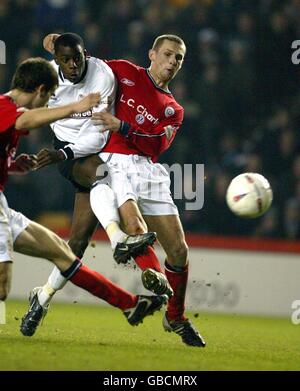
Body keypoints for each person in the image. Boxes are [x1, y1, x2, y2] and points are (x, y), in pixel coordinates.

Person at [26, 33, 205, 347]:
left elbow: (157, 145)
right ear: (152, 54)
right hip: (107, 159)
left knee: (179, 250)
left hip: (148, 170)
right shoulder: (123, 71)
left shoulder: (174, 109)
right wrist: (53, 43)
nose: (171, 62)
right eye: (167, 54)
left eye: (178, 58)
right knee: (121, 229)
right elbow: (82, 64)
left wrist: (122, 126)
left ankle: (175, 317)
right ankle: (149, 273)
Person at [0, 57, 167, 334]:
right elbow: (25, 119)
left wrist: (15, 165)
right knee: (3, 285)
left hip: (3, 204)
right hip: (12, 199)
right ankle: (118, 239)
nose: (50, 101)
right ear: (41, 90)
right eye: (51, 96)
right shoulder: (5, 108)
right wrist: (75, 107)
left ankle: (128, 304)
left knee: (63, 251)